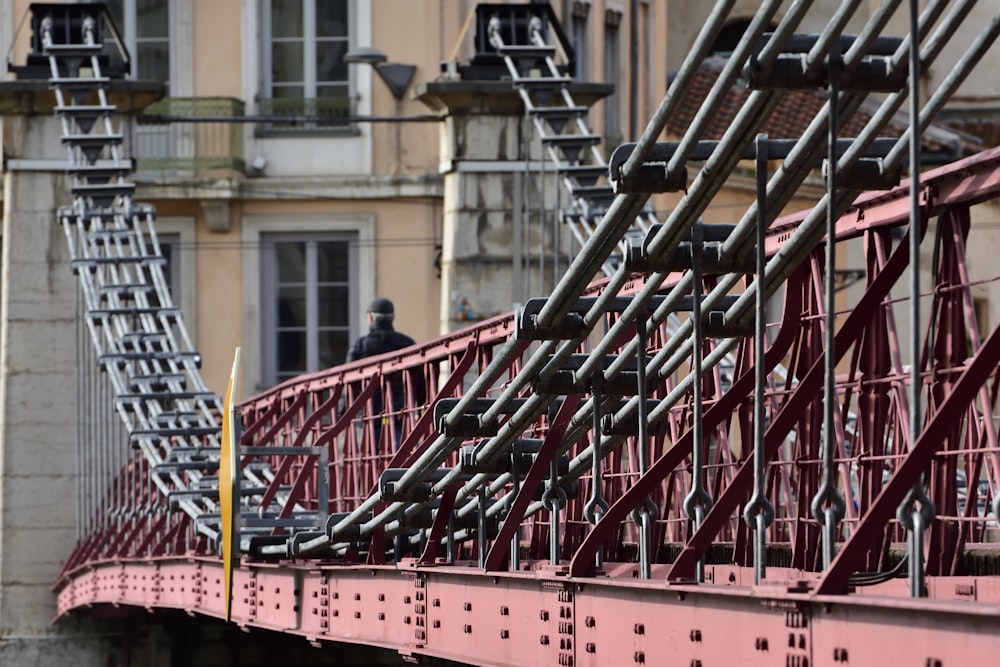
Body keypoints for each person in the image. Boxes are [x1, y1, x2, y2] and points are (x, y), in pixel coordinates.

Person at [346, 297, 424, 449]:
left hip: (370, 415)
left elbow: (348, 384)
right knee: (401, 460)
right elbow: (421, 381)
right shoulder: (407, 343)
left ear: (370, 317)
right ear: (393, 317)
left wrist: (343, 414)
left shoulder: (360, 346)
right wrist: (422, 409)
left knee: (372, 463)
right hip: (400, 414)